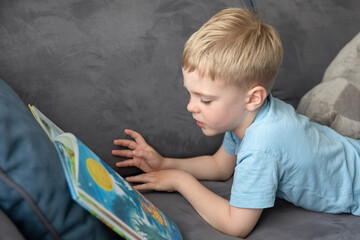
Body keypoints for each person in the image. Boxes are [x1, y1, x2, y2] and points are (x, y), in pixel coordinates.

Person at [112, 8, 360, 238]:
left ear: (253, 98)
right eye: (190, 94)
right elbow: (220, 167)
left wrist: (180, 180)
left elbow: (236, 225)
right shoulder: (249, 117)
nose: (190, 106)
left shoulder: (261, 147)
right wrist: (165, 163)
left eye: (205, 100)